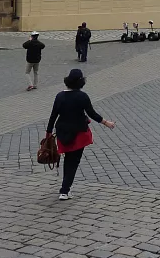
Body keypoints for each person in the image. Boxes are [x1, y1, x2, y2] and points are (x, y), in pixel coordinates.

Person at [46, 70, 115, 200]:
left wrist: (48, 132)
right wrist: (106, 123)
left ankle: (65, 188)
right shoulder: (82, 96)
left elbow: (53, 115)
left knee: (68, 159)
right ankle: (65, 190)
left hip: (62, 132)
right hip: (78, 133)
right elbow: (91, 113)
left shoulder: (60, 96)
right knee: (73, 161)